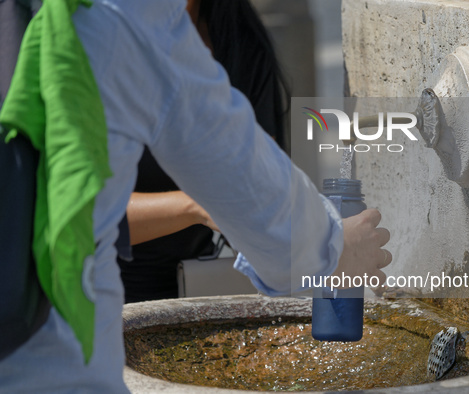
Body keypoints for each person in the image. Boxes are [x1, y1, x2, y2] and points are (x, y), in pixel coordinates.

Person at [0, 0, 392, 392]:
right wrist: (337, 248)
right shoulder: (122, 15)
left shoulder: (235, 37)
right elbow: (246, 185)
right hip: (49, 351)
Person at [118, 0, 290, 303]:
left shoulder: (239, 42)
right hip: (86, 301)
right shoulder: (97, 39)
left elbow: (264, 192)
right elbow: (77, 213)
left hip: (197, 290)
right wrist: (199, 205)